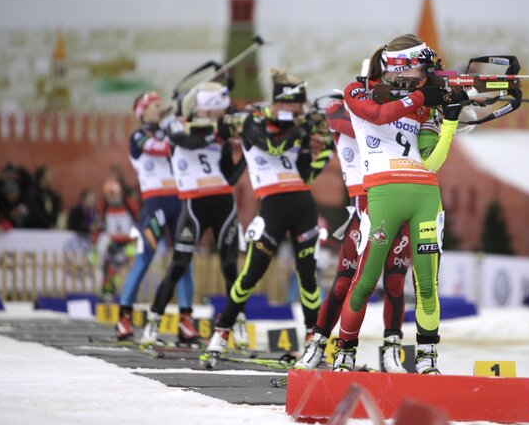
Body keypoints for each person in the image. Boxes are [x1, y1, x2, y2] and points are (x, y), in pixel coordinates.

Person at [333, 34, 464, 374]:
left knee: (426, 285)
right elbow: (376, 115)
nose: (424, 74)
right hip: (382, 194)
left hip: (425, 195)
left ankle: (426, 360)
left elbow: (431, 162)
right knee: (364, 281)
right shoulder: (357, 90)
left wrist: (448, 118)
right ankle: (344, 353)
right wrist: (421, 96)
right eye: (421, 67)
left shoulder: (421, 104)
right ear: (403, 66)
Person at [203, 69, 334, 363]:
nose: (296, 111)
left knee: (308, 278)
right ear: (280, 103)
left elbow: (306, 174)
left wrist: (325, 147)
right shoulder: (255, 122)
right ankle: (221, 333)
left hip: (302, 204)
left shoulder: (298, 127)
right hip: (272, 206)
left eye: (299, 107)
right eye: (292, 106)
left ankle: (313, 343)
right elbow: (273, 147)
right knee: (251, 274)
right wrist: (300, 130)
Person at [294, 92, 413, 373]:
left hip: (397, 199)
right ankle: (318, 345)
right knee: (343, 284)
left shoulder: (393, 110)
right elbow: (343, 122)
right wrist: (390, 112)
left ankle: (391, 352)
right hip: (362, 207)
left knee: (395, 284)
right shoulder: (342, 108)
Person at [140, 82, 244, 347]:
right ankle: (152, 326)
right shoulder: (176, 123)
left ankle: (238, 326)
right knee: (179, 265)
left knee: (231, 267)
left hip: (222, 202)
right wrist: (213, 134)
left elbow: (230, 176)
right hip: (194, 204)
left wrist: (247, 151)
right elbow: (185, 140)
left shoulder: (219, 130)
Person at [115, 91, 195, 341]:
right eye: (155, 106)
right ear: (142, 111)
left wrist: (180, 122)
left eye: (162, 105)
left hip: (179, 201)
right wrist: (175, 129)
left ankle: (185, 319)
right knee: (144, 259)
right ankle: (124, 318)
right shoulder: (138, 136)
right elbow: (163, 149)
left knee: (184, 261)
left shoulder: (166, 130)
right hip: (155, 205)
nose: (160, 109)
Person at [94, 180, 138, 300]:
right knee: (105, 266)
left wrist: (134, 242)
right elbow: (99, 224)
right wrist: (95, 241)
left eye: (114, 194)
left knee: (121, 267)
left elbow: (137, 220)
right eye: (110, 194)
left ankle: (125, 294)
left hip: (128, 242)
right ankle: (107, 291)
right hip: (112, 241)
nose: (112, 197)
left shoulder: (128, 203)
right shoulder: (104, 206)